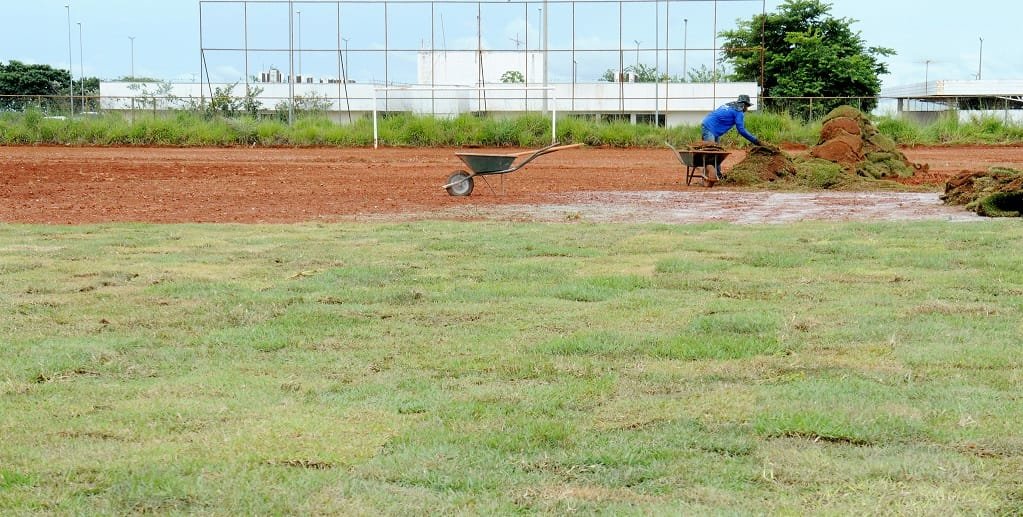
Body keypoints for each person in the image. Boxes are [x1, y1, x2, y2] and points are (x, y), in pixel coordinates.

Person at [698, 94, 761, 186]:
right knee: (711, 153)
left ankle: (718, 175)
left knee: (717, 153)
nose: (747, 109)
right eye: (747, 106)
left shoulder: (729, 105)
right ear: (743, 105)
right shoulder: (739, 112)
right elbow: (741, 130)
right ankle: (709, 174)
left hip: (713, 127)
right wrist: (755, 140)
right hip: (709, 128)